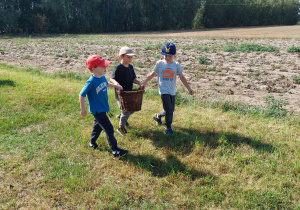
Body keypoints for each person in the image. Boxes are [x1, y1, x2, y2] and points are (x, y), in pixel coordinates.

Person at [79, 55, 128, 157]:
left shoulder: (102, 77)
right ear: (94, 68)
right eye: (103, 66)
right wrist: (83, 109)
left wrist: (116, 85)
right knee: (109, 129)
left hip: (103, 108)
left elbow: (106, 84)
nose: (105, 68)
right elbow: (81, 95)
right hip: (97, 110)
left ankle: (92, 142)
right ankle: (115, 150)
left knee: (98, 127)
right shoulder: (91, 82)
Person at [142, 42, 194, 134]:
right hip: (163, 90)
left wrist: (189, 88)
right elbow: (152, 74)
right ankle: (168, 128)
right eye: (165, 55)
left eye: (169, 56)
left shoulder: (176, 65)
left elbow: (182, 77)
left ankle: (157, 116)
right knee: (169, 110)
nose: (167, 57)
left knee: (170, 109)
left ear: (174, 54)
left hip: (172, 90)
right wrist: (144, 83)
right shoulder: (159, 64)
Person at [110, 46, 143, 136]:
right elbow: (112, 78)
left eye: (131, 57)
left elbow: (133, 79)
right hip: (121, 94)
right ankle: (121, 127)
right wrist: (117, 84)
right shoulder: (118, 67)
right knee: (125, 110)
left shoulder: (130, 67)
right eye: (128, 57)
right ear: (121, 57)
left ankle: (120, 117)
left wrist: (139, 83)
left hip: (129, 94)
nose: (130, 59)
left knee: (133, 108)